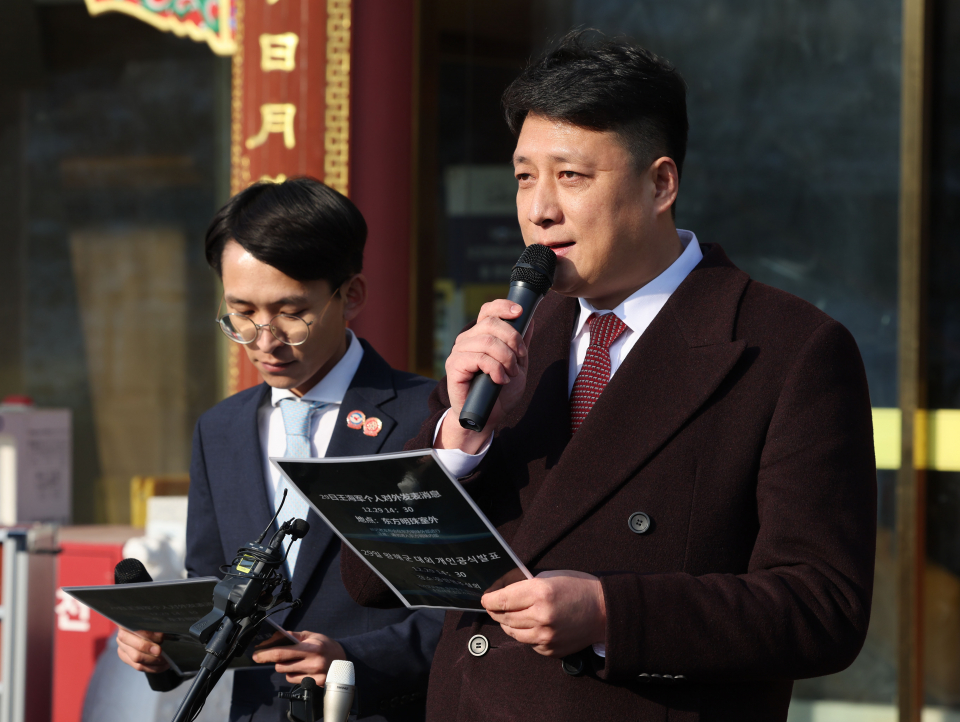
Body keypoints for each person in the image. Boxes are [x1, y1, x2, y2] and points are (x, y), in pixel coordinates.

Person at [340, 31, 877, 721]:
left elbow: (823, 607)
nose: (539, 209)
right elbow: (367, 578)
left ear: (661, 183)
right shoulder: (507, 340)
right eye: (524, 176)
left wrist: (609, 613)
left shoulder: (785, 349)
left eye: (571, 176)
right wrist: (456, 444)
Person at [115, 178, 444, 722]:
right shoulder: (220, 429)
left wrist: (351, 660)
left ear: (351, 295)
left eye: (291, 313)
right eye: (241, 313)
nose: (264, 341)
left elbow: (465, 604)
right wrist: (161, 650)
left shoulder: (427, 417)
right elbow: (213, 591)